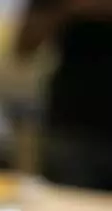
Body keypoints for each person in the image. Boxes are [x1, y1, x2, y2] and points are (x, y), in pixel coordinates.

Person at [15, 0, 112, 191]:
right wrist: (70, 9)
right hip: (72, 124)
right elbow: (24, 47)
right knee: (65, 202)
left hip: (74, 127)